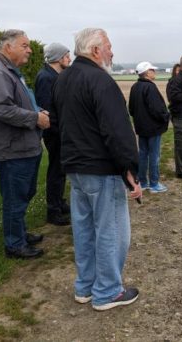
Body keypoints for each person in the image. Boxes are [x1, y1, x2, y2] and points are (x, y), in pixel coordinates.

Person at [51, 27, 142, 311]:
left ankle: (86, 287)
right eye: (109, 47)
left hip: (75, 167)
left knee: (85, 230)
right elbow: (117, 131)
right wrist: (129, 171)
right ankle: (108, 292)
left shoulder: (64, 78)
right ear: (95, 51)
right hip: (102, 169)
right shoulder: (100, 80)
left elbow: (60, 123)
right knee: (111, 231)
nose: (112, 52)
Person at [0, 29, 50, 259]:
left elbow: (20, 101)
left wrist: (37, 110)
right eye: (24, 45)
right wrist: (35, 118)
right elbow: (0, 108)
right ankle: (14, 244)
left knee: (24, 192)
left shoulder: (9, 71)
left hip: (22, 146)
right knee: (15, 197)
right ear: (8, 47)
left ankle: (19, 232)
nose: (29, 50)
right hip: (10, 149)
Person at [34, 43, 71, 226]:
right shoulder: (46, 77)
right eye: (66, 55)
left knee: (61, 169)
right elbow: (47, 109)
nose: (69, 59)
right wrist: (60, 130)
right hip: (55, 132)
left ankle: (59, 201)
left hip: (61, 130)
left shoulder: (55, 75)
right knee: (56, 170)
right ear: (57, 58)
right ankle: (53, 210)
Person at [128, 61, 170, 193]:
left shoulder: (135, 87)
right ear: (146, 73)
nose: (154, 72)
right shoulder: (150, 88)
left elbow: (131, 109)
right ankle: (154, 184)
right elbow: (157, 109)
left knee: (142, 154)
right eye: (152, 70)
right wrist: (166, 117)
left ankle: (143, 182)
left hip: (141, 128)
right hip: (153, 128)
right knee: (154, 155)